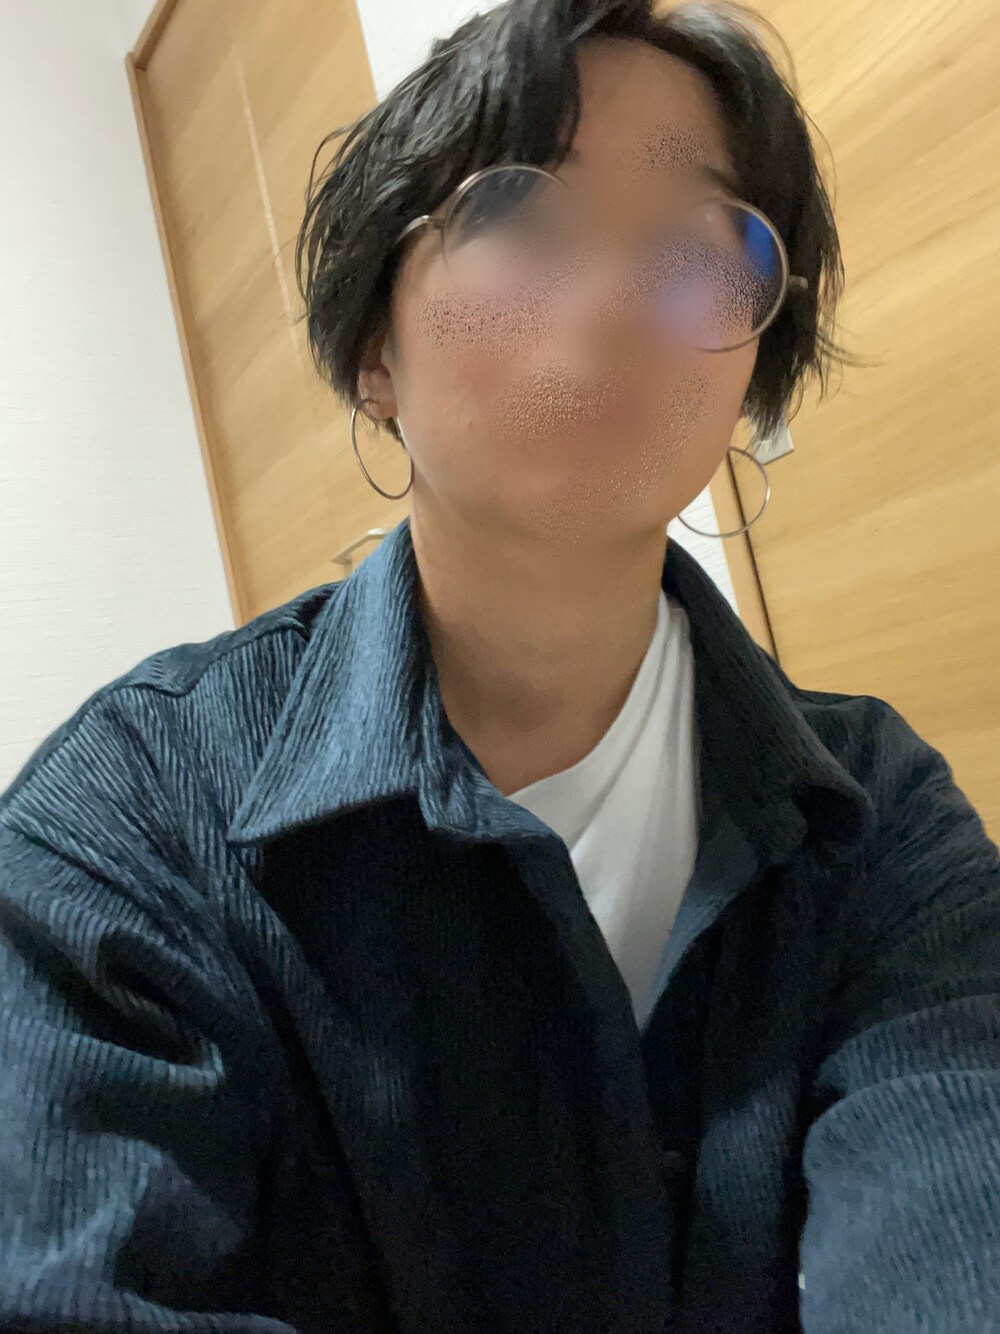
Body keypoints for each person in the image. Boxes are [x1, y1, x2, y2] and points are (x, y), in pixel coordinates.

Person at [2, 0, 998, 1329]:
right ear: (375, 352)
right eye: (523, 214)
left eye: (692, 243)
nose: (614, 295)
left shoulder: (878, 817)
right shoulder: (129, 821)